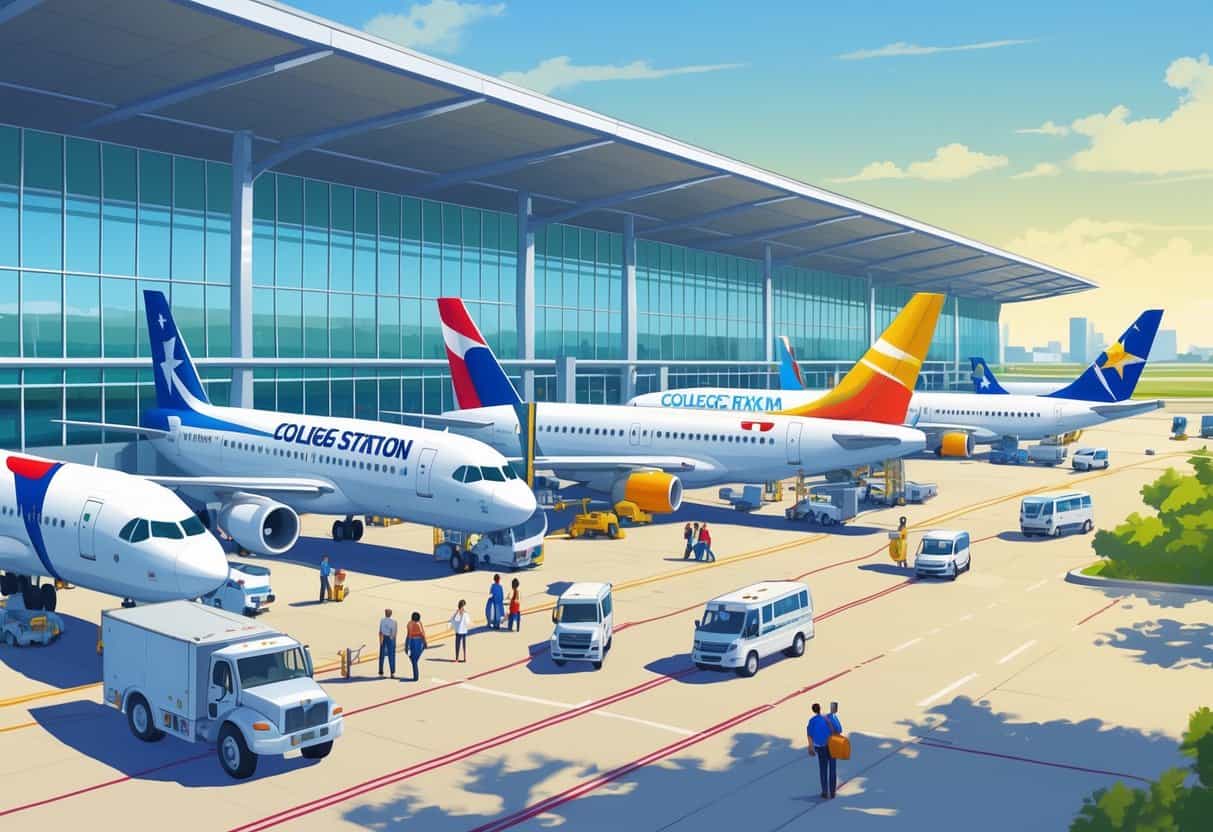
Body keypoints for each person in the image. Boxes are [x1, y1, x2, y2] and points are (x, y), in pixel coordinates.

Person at [807, 702, 839, 799]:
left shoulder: (812, 721)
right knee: (832, 768)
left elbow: (809, 735)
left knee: (823, 769)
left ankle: (825, 792)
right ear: (820, 708)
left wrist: (811, 747)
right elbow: (838, 730)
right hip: (831, 745)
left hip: (820, 747)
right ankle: (832, 792)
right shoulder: (828, 718)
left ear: (813, 710)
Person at [405, 611, 427, 681]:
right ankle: (416, 675)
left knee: (413, 659)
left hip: (413, 641)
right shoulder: (419, 623)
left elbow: (409, 635)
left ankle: (416, 676)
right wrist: (425, 642)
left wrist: (407, 645)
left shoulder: (410, 624)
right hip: (419, 641)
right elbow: (423, 633)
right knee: (415, 659)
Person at [378, 608, 397, 677]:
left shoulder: (382, 620)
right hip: (390, 638)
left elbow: (380, 631)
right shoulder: (394, 621)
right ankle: (392, 672)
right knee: (391, 656)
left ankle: (381, 672)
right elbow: (394, 632)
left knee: (382, 656)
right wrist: (394, 641)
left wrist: (380, 640)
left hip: (383, 637)